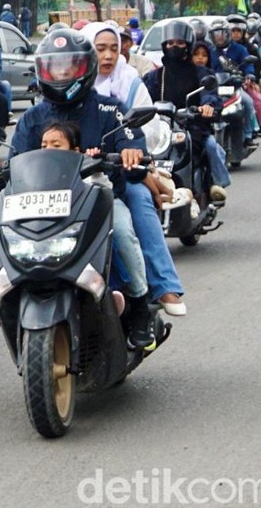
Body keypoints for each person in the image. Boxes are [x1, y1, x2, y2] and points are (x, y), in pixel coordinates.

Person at [0, 27, 156, 349]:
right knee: (4, 233)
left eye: (69, 67)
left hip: (97, 201)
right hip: (40, 205)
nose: (61, 74)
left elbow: (133, 146)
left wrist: (132, 153)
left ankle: (140, 305)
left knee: (125, 234)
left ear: (83, 68)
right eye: (54, 67)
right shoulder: (33, 117)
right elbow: (16, 165)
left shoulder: (108, 109)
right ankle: (5, 297)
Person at [82, 21, 186, 316]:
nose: (108, 56)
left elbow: (148, 132)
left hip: (122, 170)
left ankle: (162, 284)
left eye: (114, 49)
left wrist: (133, 156)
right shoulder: (70, 87)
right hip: (75, 174)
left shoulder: (130, 82)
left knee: (139, 198)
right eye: (100, 49)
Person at [143, 21, 230, 205]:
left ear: (188, 45)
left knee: (211, 145)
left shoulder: (201, 73)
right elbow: (142, 99)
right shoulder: (155, 76)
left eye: (180, 43)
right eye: (170, 43)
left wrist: (206, 107)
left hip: (193, 126)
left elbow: (209, 95)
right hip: (161, 129)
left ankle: (215, 183)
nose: (174, 47)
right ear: (164, 46)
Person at [208, 19, 258, 148]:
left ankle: (248, 134)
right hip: (215, 89)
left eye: (221, 33)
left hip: (234, 88)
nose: (219, 37)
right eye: (215, 34)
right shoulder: (209, 51)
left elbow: (249, 67)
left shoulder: (240, 49)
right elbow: (204, 68)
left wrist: (248, 75)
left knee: (248, 103)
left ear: (227, 33)